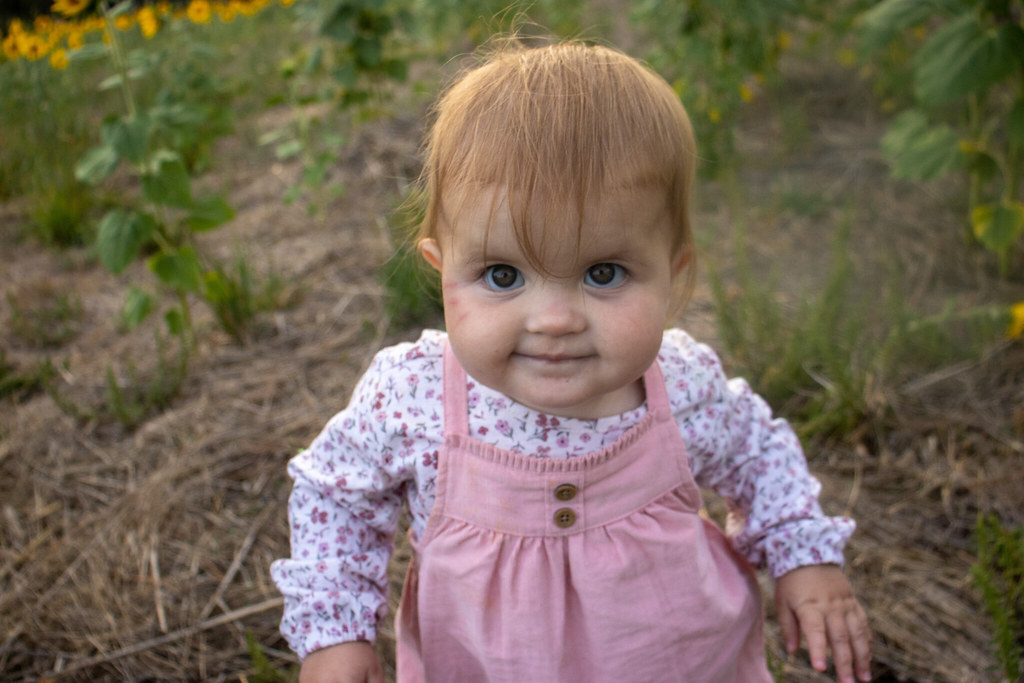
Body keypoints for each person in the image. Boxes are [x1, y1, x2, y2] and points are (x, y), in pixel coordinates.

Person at [271, 39, 872, 683]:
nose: (554, 321)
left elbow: (757, 452)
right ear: (441, 271)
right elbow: (336, 496)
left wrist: (802, 556)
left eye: (603, 272)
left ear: (674, 275)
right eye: (502, 275)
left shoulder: (679, 384)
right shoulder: (414, 396)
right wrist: (336, 635)